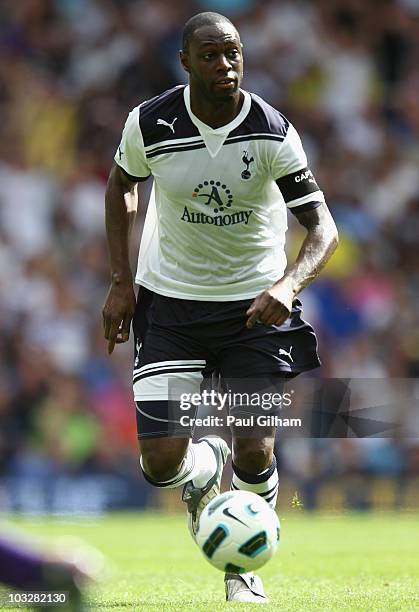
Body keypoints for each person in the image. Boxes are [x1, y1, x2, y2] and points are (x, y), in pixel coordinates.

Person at [103, 11, 338, 603]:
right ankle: (203, 470)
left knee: (256, 444)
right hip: (170, 303)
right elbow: (121, 185)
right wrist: (119, 281)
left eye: (233, 53)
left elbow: (323, 229)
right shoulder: (150, 122)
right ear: (185, 62)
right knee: (159, 463)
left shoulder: (272, 130)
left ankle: (243, 571)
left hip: (252, 308)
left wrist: (288, 286)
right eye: (210, 55)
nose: (225, 65)